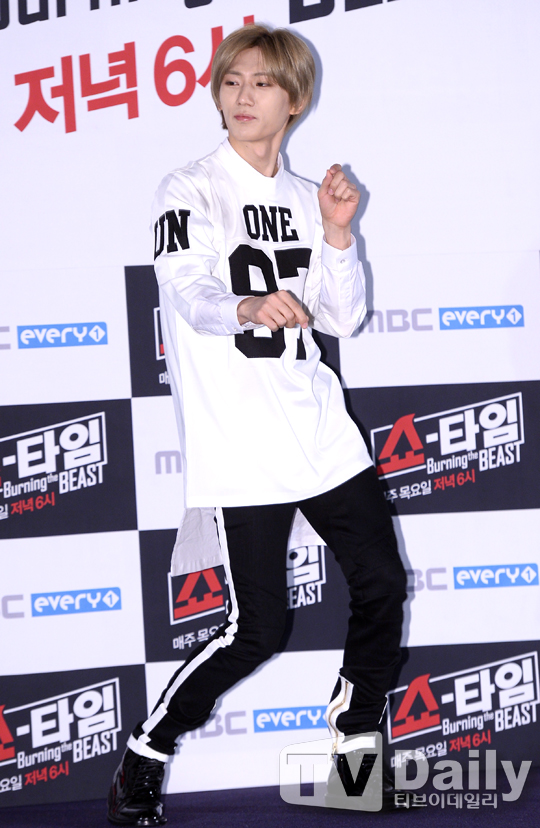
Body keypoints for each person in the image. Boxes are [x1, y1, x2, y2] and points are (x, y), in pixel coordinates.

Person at [107, 23, 407, 826]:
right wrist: (244, 305)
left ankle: (353, 746)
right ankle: (147, 750)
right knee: (260, 628)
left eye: (262, 83)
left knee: (383, 584)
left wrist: (338, 233)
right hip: (240, 440)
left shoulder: (308, 197)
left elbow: (342, 316)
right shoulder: (189, 187)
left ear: (294, 100)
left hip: (320, 428)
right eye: (232, 81)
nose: (242, 96)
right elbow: (187, 289)